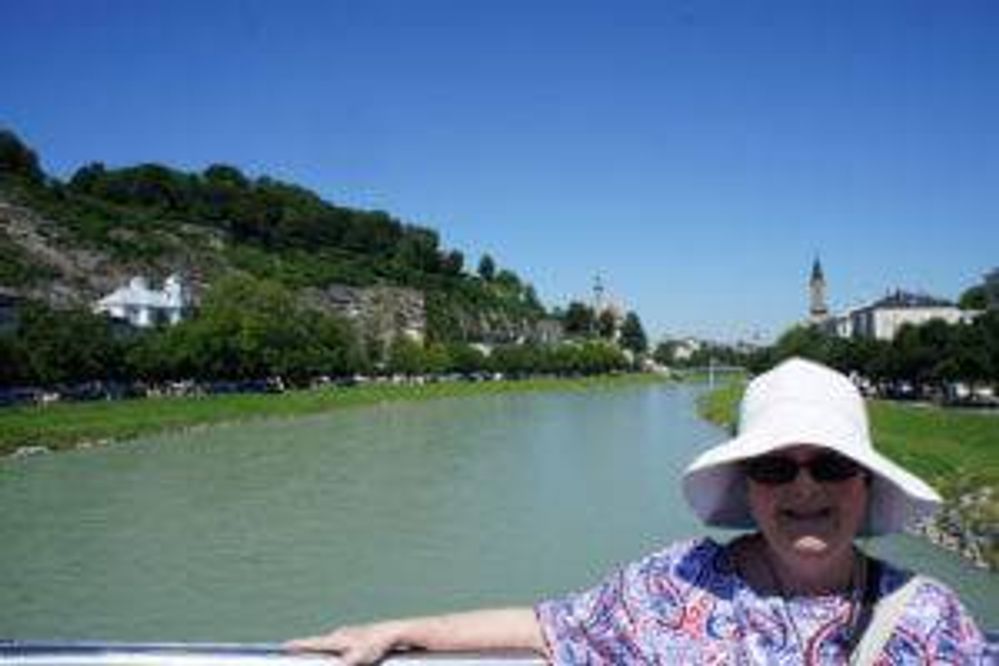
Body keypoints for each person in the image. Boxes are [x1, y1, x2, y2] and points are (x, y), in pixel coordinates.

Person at [287, 357, 988, 664]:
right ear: (748, 486)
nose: (804, 490)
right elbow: (544, 627)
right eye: (776, 467)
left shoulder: (929, 621)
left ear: (863, 483)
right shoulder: (672, 587)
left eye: (829, 465)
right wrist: (400, 629)